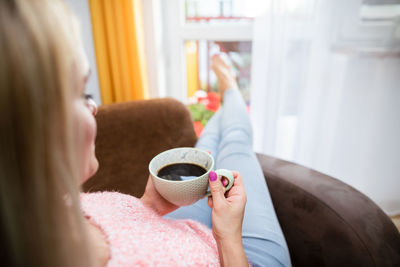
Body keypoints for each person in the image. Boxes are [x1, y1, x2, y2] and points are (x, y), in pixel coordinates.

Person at [0, 0, 290, 266]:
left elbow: (118, 230)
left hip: (178, 224)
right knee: (236, 138)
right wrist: (228, 239)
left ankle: (226, 98)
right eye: (81, 92)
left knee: (209, 145)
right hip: (240, 255)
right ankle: (230, 90)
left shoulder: (46, 210)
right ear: (31, 133)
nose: (94, 107)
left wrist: (147, 206)